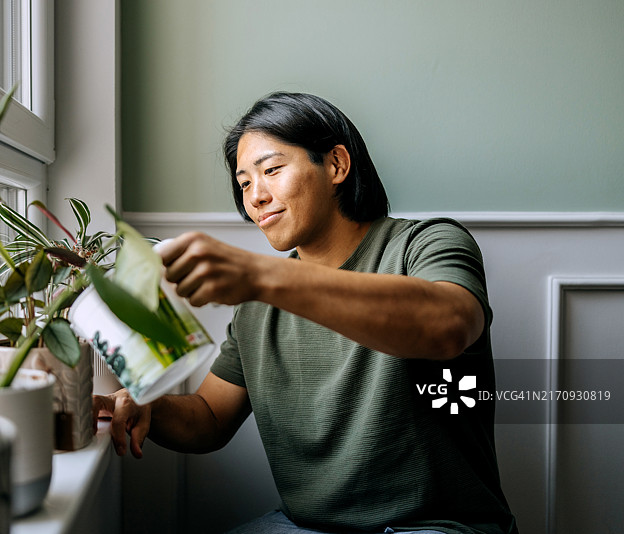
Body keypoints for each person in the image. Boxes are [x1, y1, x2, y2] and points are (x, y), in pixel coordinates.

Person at [94, 92, 518, 534]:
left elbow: (449, 325)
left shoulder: (426, 244)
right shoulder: (258, 301)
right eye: (244, 183)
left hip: (438, 526)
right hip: (303, 526)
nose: (255, 197)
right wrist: (147, 407)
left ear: (336, 164)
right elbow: (210, 418)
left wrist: (261, 276)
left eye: (271, 170)